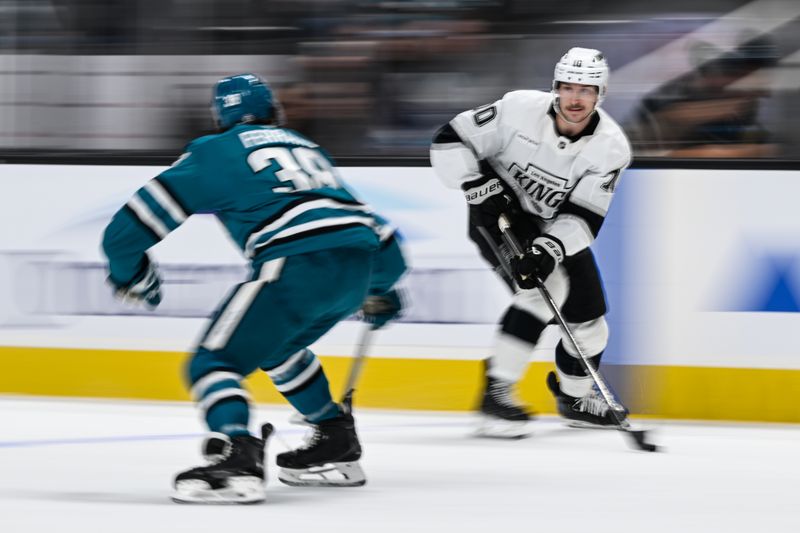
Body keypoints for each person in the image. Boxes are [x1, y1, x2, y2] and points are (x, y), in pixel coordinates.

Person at [102, 73, 407, 503]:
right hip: (357, 265)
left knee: (212, 363)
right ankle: (335, 439)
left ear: (220, 118)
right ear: (273, 112)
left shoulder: (214, 151)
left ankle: (237, 456)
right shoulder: (306, 148)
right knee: (277, 348)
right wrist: (380, 289)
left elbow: (123, 234)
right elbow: (387, 244)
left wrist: (132, 276)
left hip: (296, 262)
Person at [430, 48, 632, 438]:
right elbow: (449, 138)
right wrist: (474, 183)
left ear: (600, 93)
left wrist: (548, 249)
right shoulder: (518, 108)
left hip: (552, 227)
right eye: (568, 87)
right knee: (545, 290)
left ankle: (575, 398)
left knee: (591, 323)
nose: (575, 99)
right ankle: (496, 393)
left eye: (586, 90)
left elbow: (585, 216)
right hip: (499, 217)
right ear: (555, 87)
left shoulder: (610, 148)